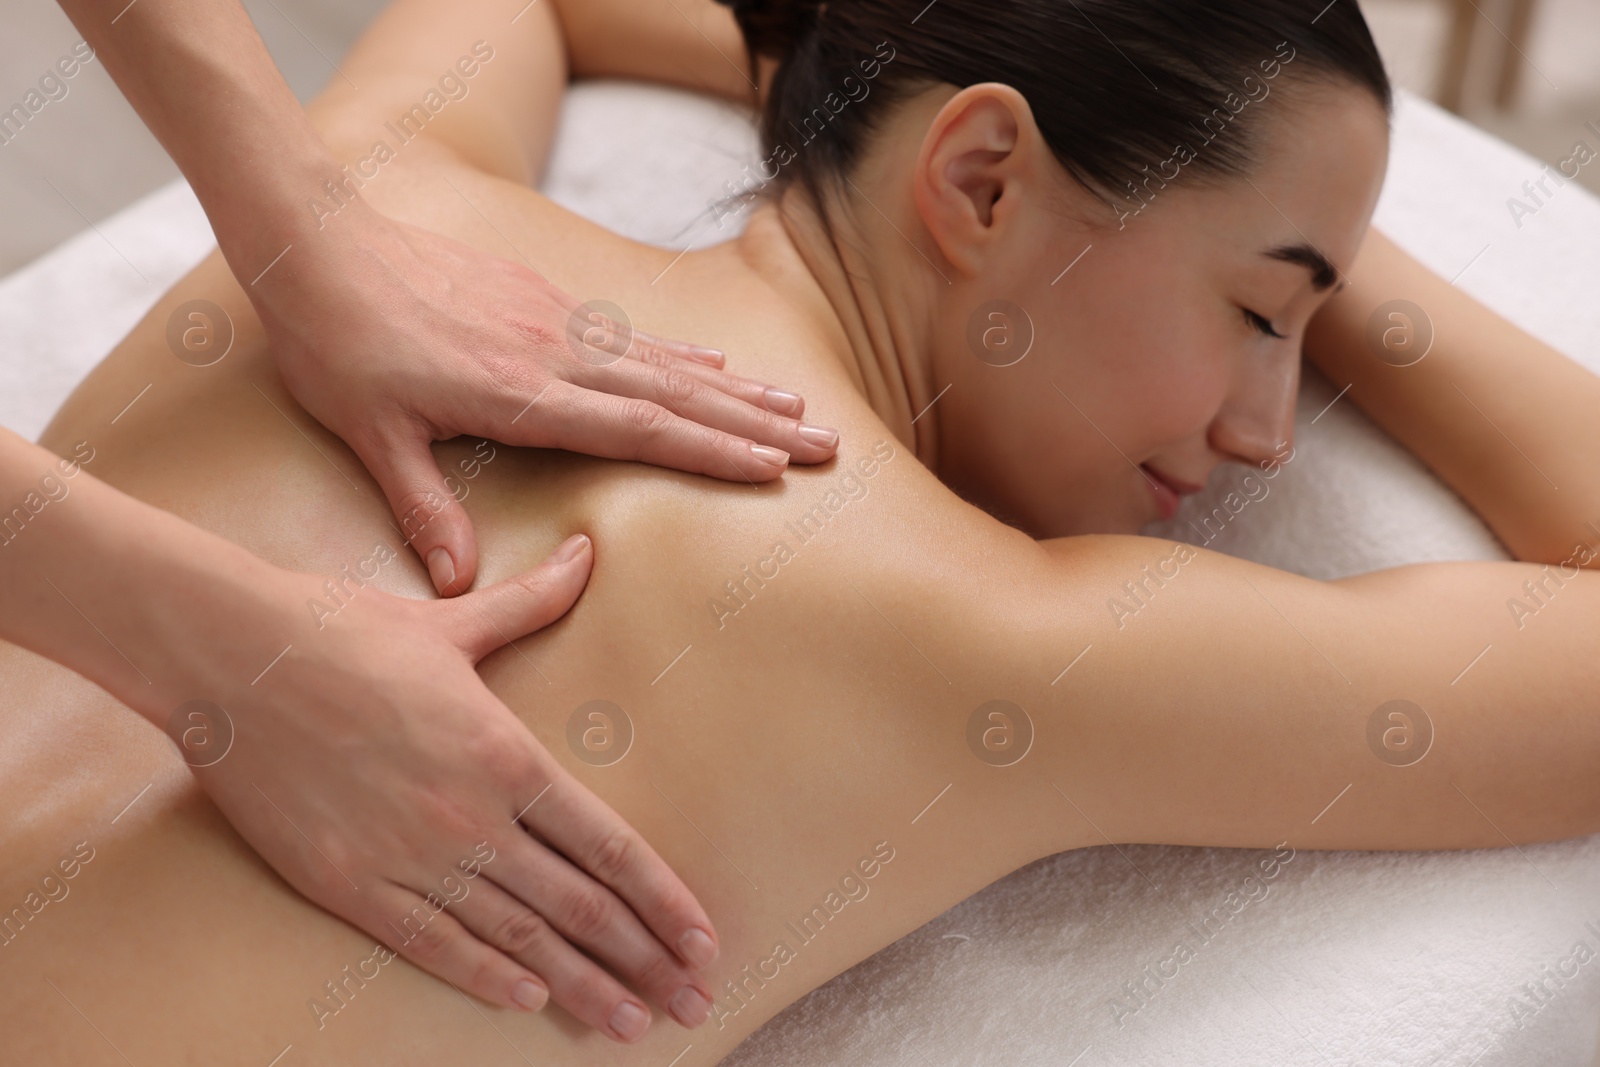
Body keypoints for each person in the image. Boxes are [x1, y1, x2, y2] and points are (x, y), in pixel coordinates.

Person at [6, 0, 1600, 1063]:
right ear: (980, 180)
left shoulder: (364, 207)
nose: (1271, 423)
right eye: (1259, 309)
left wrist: (864, 61)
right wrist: (1362, 271)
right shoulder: (981, 637)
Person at [8, 0, 850, 1041]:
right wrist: (221, 653)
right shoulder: (955, 599)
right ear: (981, 175)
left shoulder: (402, 184)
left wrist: (307, 226)